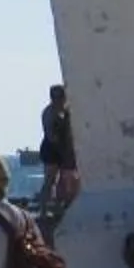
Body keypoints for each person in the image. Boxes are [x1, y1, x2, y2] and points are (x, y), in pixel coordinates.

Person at [37, 84, 81, 216]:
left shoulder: (67, 111)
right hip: (51, 149)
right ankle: (43, 210)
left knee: (65, 181)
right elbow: (51, 136)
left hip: (64, 149)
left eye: (61, 96)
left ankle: (58, 208)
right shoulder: (49, 113)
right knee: (50, 180)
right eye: (56, 97)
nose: (59, 100)